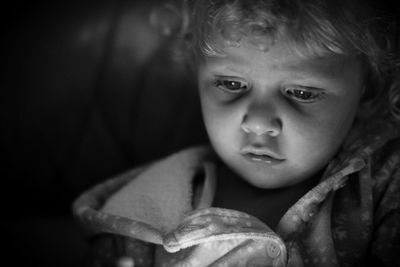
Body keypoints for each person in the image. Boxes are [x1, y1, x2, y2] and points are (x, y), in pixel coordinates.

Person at [73, 0, 400, 266]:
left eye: (301, 93)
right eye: (231, 84)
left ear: (367, 91)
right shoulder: (140, 215)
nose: (257, 123)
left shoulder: (382, 183)